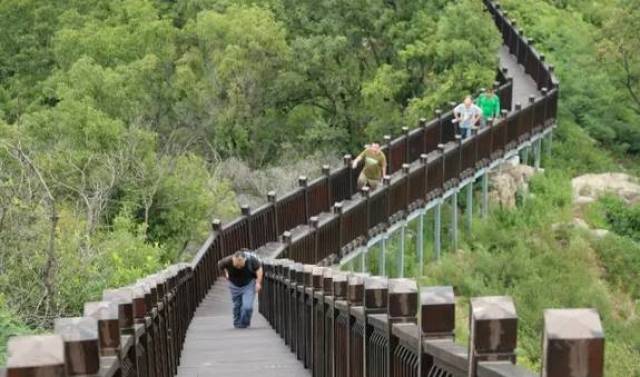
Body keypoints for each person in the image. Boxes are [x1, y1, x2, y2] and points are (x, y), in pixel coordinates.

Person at [217, 250, 263, 328]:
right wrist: (226, 273)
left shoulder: (251, 260)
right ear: (233, 259)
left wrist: (258, 283)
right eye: (236, 265)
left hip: (248, 284)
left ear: (245, 260)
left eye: (241, 265)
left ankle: (244, 323)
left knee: (247, 307)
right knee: (237, 305)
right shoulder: (227, 261)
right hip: (234, 285)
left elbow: (259, 269)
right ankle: (237, 322)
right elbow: (220, 265)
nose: (238, 266)